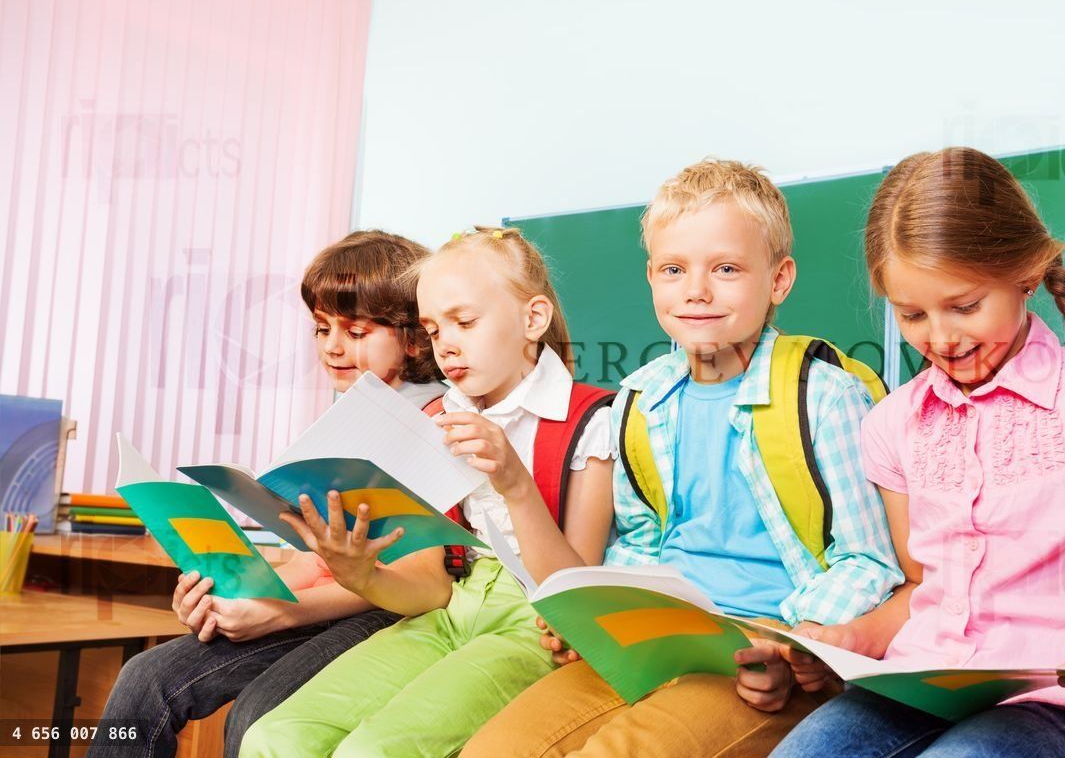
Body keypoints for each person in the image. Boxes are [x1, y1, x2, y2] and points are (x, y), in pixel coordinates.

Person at [463, 159, 901, 758]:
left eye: (725, 268)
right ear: (652, 277)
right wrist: (603, 618)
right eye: (674, 269)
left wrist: (787, 643)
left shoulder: (824, 396)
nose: (696, 290)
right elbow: (640, 543)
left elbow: (869, 559)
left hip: (759, 657)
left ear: (779, 279)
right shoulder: (640, 399)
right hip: (657, 640)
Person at [770, 148, 1065, 758]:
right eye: (912, 314)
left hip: (1054, 706)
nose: (940, 337)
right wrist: (853, 637)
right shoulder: (892, 424)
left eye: (965, 306)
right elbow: (922, 588)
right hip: (916, 685)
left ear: (1027, 273)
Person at [240, 226, 616, 758]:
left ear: (533, 320)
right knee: (274, 737)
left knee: (372, 752)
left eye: (465, 322)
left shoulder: (589, 421)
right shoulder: (439, 418)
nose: (448, 346)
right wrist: (361, 572)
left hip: (534, 623)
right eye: (435, 330)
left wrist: (515, 485)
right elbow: (431, 589)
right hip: (447, 610)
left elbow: (575, 600)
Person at [91, 230, 453, 758]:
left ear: (414, 338)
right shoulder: (343, 420)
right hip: (326, 601)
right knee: (144, 679)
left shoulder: (439, 424)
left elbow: (417, 579)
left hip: (390, 607)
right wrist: (235, 597)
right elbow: (313, 558)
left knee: (258, 715)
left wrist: (282, 612)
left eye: (354, 331)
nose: (331, 347)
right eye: (322, 328)